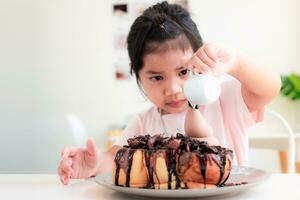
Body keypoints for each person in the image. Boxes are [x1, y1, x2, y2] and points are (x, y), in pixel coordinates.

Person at [58, 1, 281, 185]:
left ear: (200, 60)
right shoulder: (144, 123)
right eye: (156, 77)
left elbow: (268, 88)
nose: (174, 89)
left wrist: (236, 62)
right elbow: (117, 160)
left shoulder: (224, 100)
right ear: (138, 78)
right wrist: (94, 164)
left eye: (184, 71)